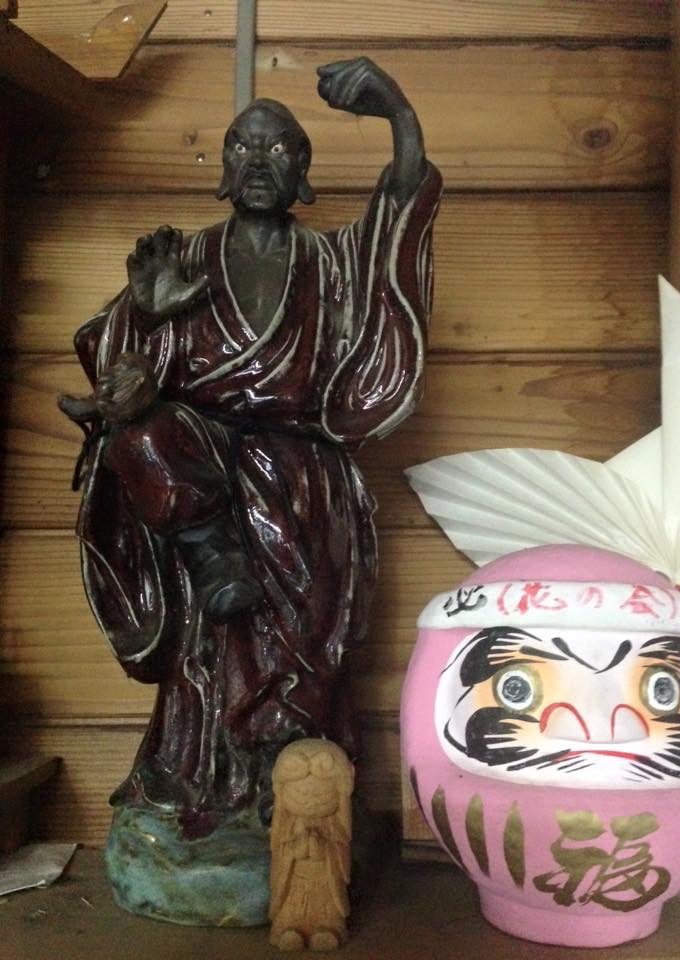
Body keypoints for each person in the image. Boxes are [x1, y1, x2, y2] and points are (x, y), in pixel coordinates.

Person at [60, 57, 442, 836]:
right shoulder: (185, 258)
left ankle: (288, 777)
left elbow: (399, 222)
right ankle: (209, 563)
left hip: (300, 470)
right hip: (200, 469)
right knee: (143, 435)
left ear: (304, 172)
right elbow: (116, 362)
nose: (260, 160)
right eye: (243, 146)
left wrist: (399, 113)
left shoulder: (332, 263)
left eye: (279, 148)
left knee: (297, 630)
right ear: (224, 168)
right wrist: (148, 316)